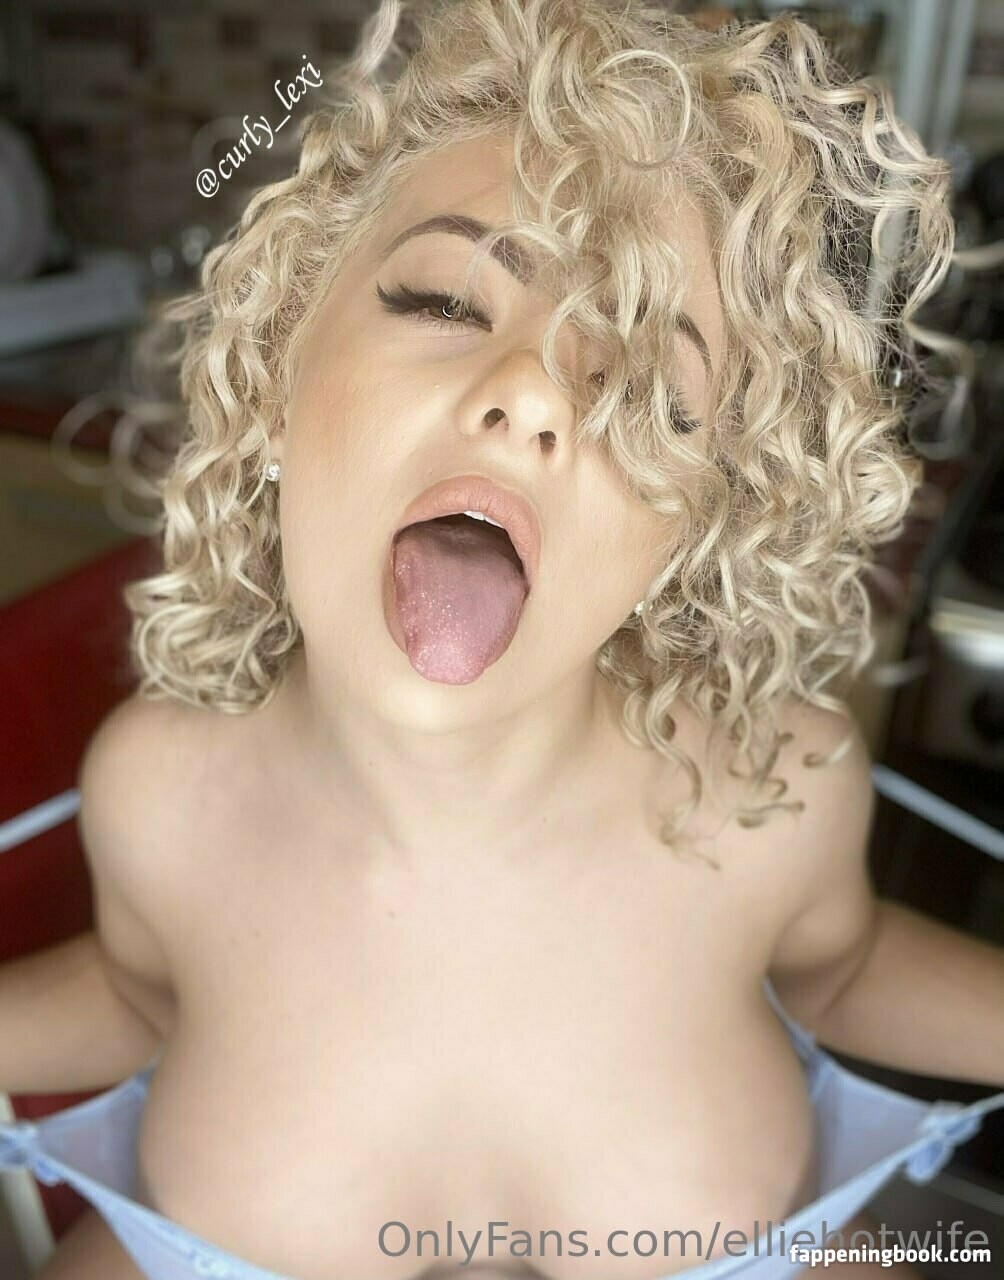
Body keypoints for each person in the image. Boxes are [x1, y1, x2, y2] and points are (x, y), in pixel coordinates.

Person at [2, 2, 1002, 1278]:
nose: (530, 390)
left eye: (644, 384)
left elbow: (841, 965)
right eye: (443, 297)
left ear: (691, 529)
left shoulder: (768, 785)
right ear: (274, 373)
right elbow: (139, 989)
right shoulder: (160, 788)